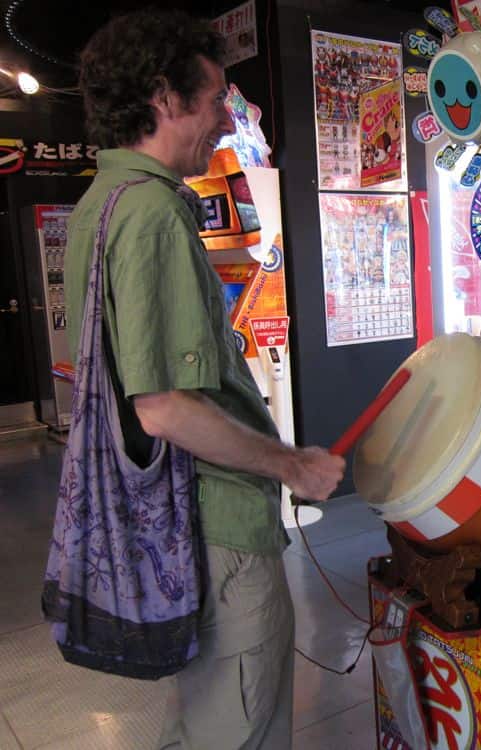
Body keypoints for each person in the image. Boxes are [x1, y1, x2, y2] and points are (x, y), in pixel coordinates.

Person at [65, 9, 346, 749]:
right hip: (215, 529)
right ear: (164, 97)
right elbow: (165, 408)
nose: (227, 120)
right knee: (240, 724)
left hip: (167, 525)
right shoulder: (155, 212)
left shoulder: (101, 204)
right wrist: (292, 465)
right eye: (218, 96)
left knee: (204, 717)